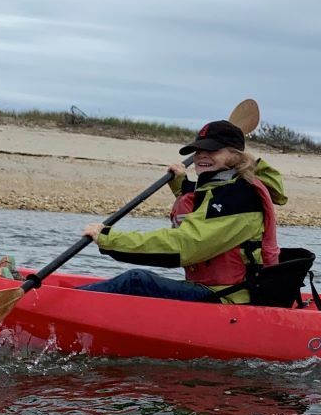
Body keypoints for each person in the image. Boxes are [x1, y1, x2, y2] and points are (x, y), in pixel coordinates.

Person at [75, 117, 288, 304]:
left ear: (236, 156)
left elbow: (186, 245)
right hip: (214, 291)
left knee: (137, 280)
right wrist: (181, 186)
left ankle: (57, 307)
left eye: (212, 150)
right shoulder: (224, 188)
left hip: (229, 299)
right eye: (199, 150)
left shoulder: (240, 196)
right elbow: (202, 212)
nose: (201, 156)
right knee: (137, 283)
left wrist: (109, 238)